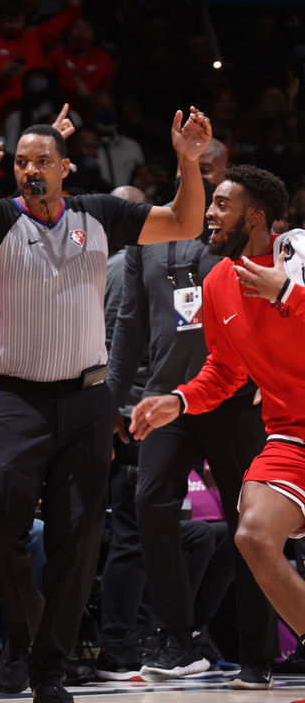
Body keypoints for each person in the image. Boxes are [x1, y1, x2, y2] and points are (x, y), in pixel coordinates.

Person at [0, 51, 212, 702]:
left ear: (64, 167)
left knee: (80, 541)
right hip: (14, 402)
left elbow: (186, 221)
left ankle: (48, 667)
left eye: (42, 160)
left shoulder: (99, 214)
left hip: (85, 403)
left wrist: (189, 162)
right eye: (22, 161)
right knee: (2, 536)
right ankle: (23, 639)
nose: (31, 169)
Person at [106, 168, 280, 683]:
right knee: (149, 504)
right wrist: (113, 399)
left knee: (248, 523)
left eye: (218, 188)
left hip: (236, 404)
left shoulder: (241, 246)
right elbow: (129, 325)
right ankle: (178, 639)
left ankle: (258, 653)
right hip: (170, 398)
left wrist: (268, 376)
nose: (209, 203)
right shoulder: (148, 242)